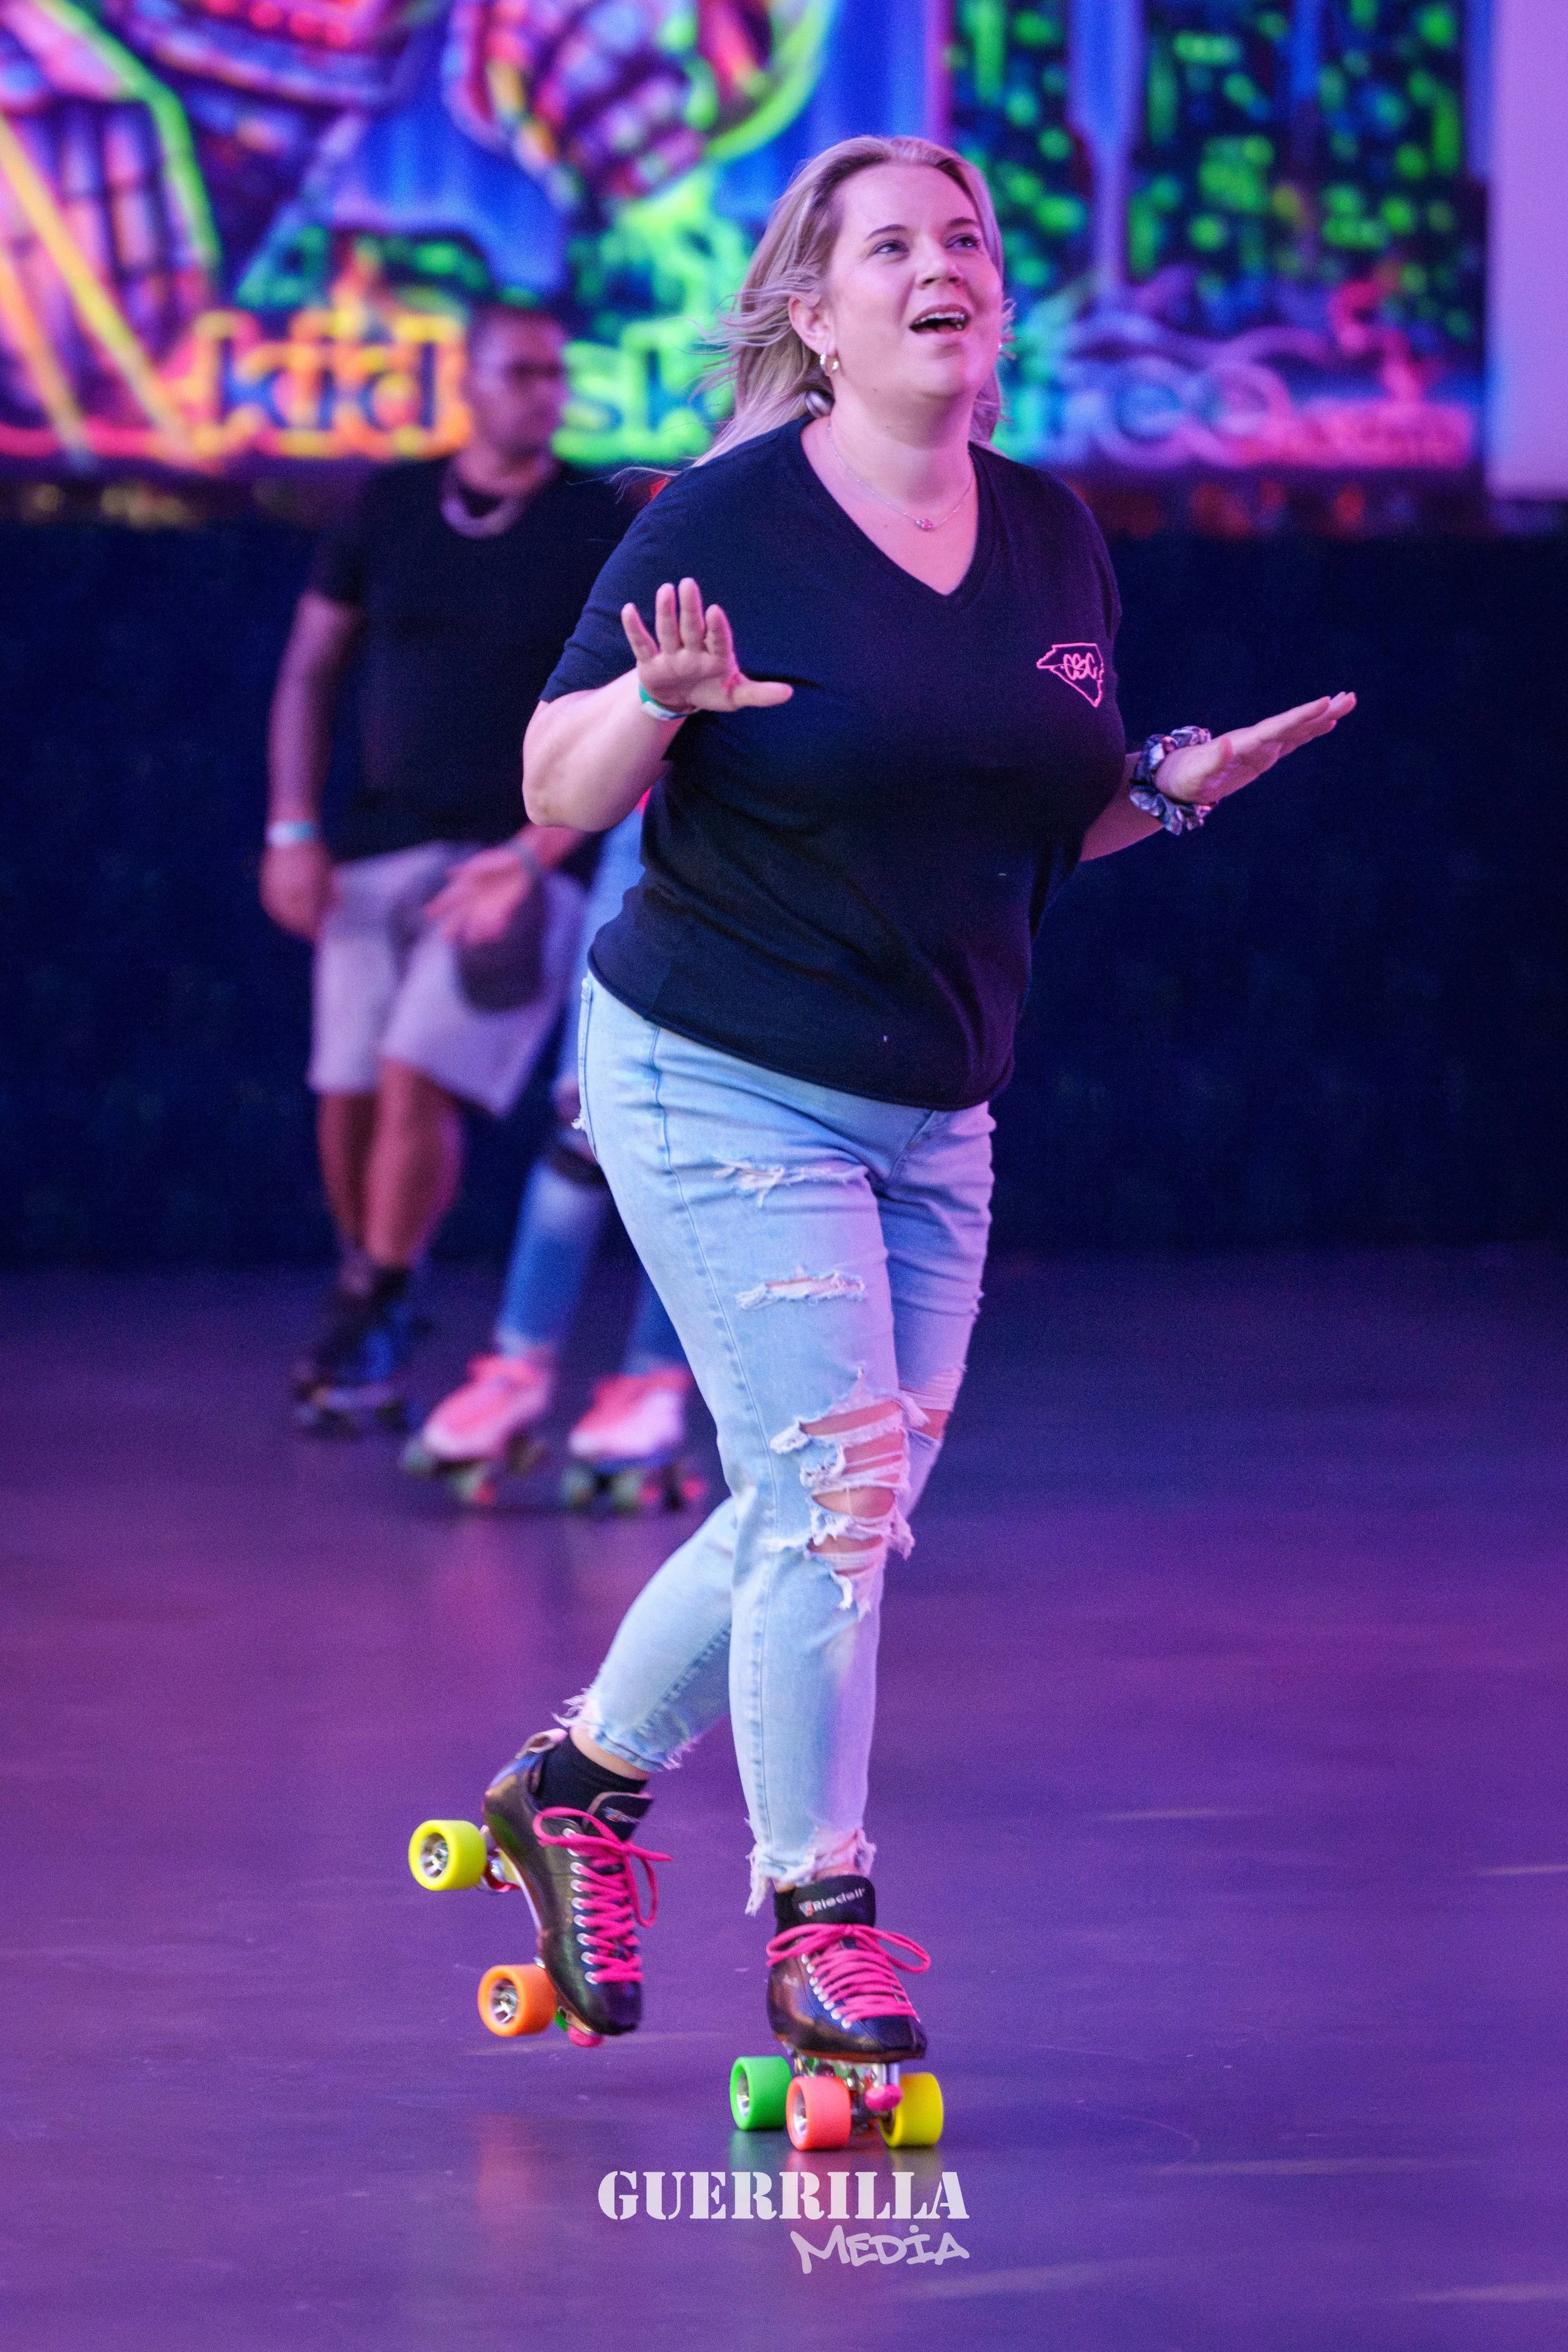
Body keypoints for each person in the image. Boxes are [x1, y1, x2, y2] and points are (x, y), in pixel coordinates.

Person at [455, 137, 1354, 2077]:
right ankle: (817, 1923)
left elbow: (1050, 812)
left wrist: (1175, 785)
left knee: (824, 1497)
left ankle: (580, 1786)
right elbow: (553, 789)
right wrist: (658, 704)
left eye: (965, 239)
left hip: (932, 1105)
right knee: (834, 1494)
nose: (942, 266)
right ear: (813, 307)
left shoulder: (1048, 536)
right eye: (894, 245)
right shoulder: (730, 517)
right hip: (712, 1072)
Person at [260, 303, 627, 1424]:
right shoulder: (392, 504)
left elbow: (636, 705)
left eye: (556, 375)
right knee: (350, 1091)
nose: (543, 393)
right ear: (465, 382)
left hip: (517, 860)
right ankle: (378, 1286)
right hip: (377, 843)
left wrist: (538, 853)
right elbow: (311, 670)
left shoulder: (591, 516)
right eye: (519, 372)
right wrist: (291, 828)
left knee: (422, 1073)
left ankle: (372, 1308)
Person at [404, 802, 697, 1508]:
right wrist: (532, 856)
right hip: (650, 842)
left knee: (696, 1143)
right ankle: (515, 1372)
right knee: (585, 1121)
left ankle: (655, 1383)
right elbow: (616, 734)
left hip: (783, 856)